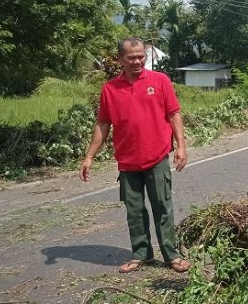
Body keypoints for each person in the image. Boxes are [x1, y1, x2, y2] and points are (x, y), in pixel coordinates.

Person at [80, 37, 190, 274]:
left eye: (141, 56)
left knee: (162, 207)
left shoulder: (160, 81)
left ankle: (171, 254)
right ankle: (141, 254)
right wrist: (89, 157)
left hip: (157, 157)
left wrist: (181, 146)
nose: (138, 61)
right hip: (127, 161)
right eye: (132, 58)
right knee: (134, 210)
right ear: (121, 59)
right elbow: (102, 124)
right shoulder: (110, 89)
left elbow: (174, 114)